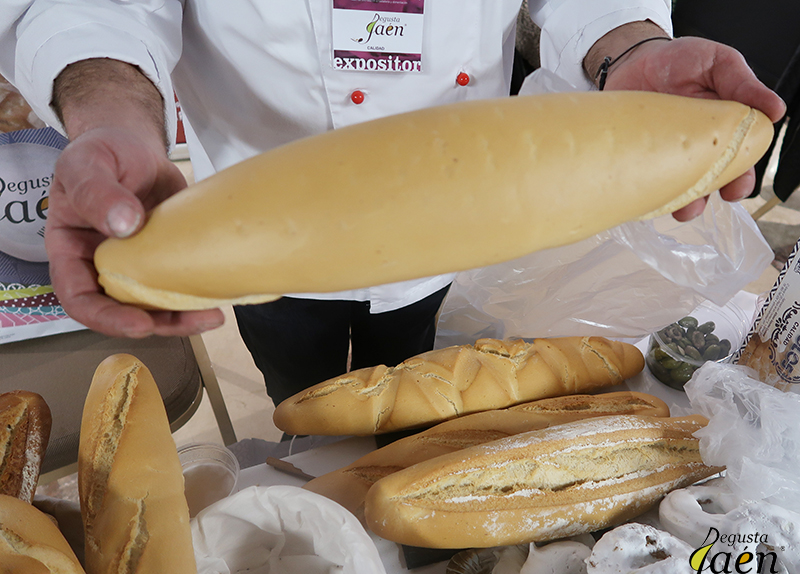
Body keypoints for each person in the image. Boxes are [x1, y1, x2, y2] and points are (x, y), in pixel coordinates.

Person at [0, 1, 785, 408]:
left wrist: (631, 45)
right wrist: (110, 118)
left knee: (423, 379)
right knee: (297, 392)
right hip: (249, 232)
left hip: (468, 216)